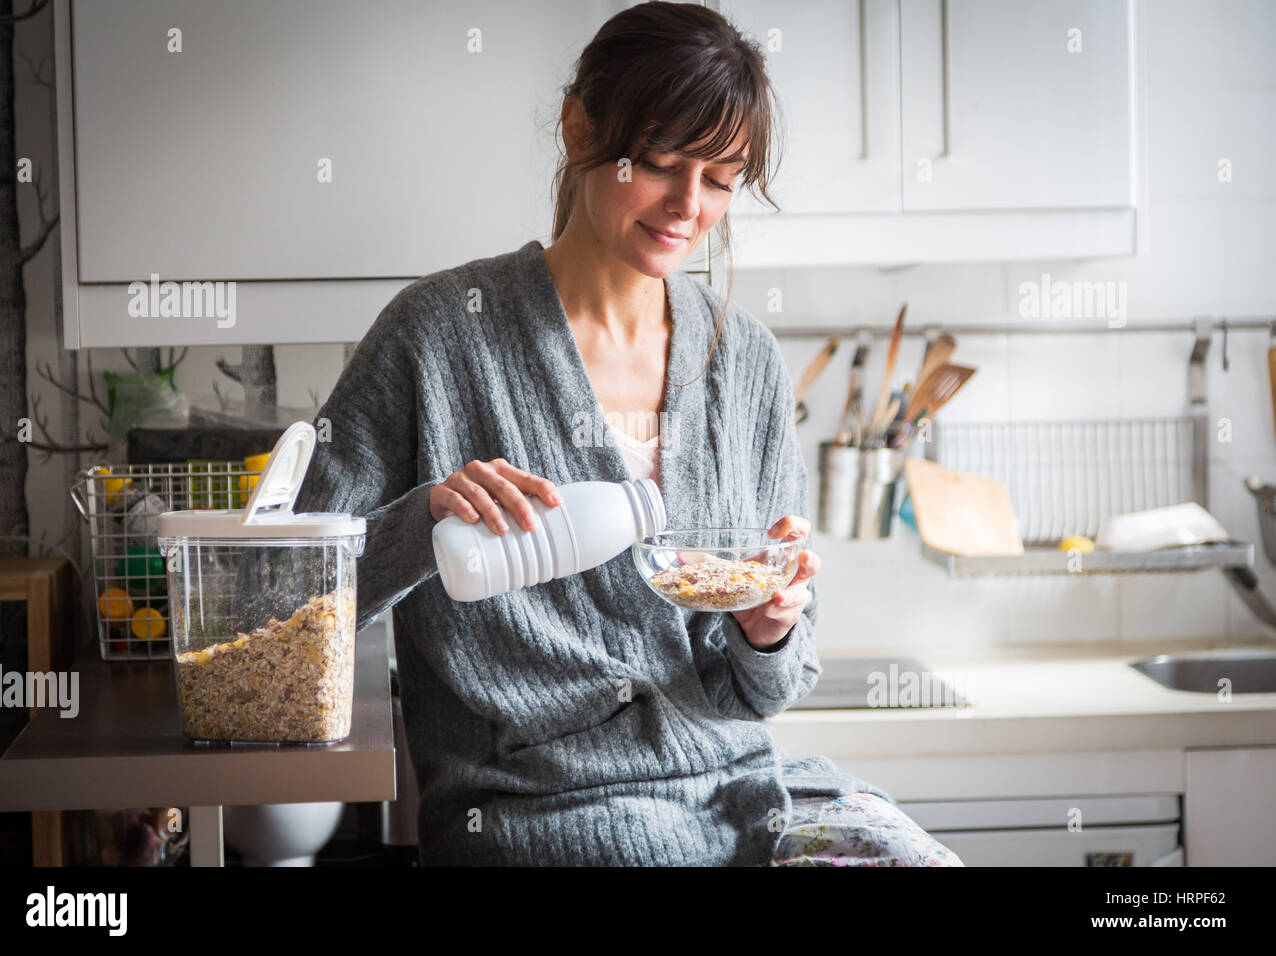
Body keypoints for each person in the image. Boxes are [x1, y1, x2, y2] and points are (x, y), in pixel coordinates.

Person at [294, 1, 962, 867]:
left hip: (744, 791)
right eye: (660, 162)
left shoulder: (744, 359)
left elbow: (764, 690)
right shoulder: (438, 335)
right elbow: (290, 595)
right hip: (540, 810)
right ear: (580, 129)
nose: (690, 205)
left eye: (722, 178)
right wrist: (424, 523)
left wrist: (768, 628)